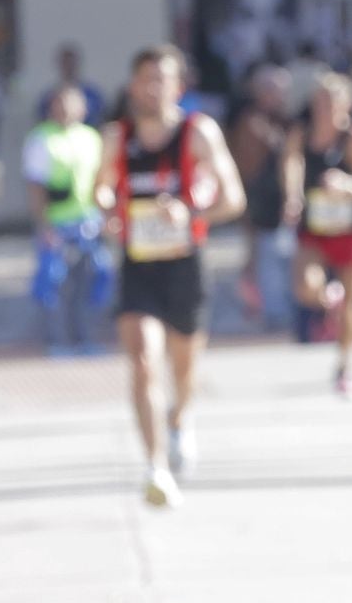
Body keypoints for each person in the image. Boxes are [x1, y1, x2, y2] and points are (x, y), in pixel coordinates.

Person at [96, 46, 247, 507]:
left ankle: (181, 418)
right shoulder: (117, 137)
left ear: (178, 86)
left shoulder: (197, 133)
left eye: (162, 79)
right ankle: (156, 467)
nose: (153, 87)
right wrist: (107, 208)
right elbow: (102, 187)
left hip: (185, 263)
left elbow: (233, 198)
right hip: (138, 263)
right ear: (132, 85)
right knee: (142, 360)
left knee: (184, 368)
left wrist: (190, 210)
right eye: (145, 78)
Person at [283, 73, 352, 393]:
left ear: (347, 104)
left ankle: (345, 367)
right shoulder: (301, 134)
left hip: (350, 231)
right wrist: (293, 197)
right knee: (304, 287)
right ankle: (327, 298)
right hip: (314, 231)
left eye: (332, 102)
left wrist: (346, 185)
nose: (325, 109)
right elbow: (291, 166)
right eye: (320, 102)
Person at [23, 85, 109, 354]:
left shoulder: (91, 137)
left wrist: (105, 215)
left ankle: (83, 338)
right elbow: (36, 188)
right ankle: (55, 341)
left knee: (90, 281)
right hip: (57, 224)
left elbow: (101, 180)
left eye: (72, 103)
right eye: (60, 103)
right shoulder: (42, 138)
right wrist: (44, 224)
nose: (66, 109)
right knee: (54, 283)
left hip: (88, 222)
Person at [229, 63, 294, 327]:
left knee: (280, 255)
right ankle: (269, 309)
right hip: (259, 201)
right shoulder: (248, 120)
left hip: (280, 199)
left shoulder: (286, 120)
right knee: (262, 255)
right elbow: (245, 163)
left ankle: (274, 305)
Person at [38, 44, 106, 126]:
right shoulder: (49, 96)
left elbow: (101, 117)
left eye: (71, 62)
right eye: (65, 63)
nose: (69, 66)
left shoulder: (92, 94)